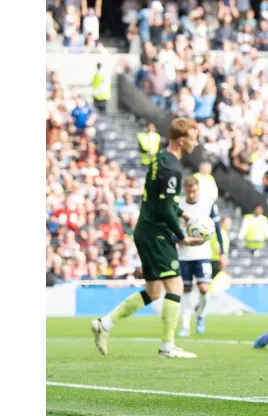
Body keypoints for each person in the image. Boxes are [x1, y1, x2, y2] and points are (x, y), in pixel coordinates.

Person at [90, 118, 204, 358]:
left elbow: (164, 201)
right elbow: (164, 209)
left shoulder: (160, 158)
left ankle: (105, 324)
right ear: (181, 140)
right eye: (194, 138)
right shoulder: (171, 167)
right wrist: (182, 237)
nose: (196, 142)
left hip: (147, 229)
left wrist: (185, 216)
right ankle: (167, 346)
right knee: (174, 286)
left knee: (153, 292)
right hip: (156, 232)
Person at [176, 176, 225, 337]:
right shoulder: (179, 205)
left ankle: (201, 315)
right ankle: (184, 325)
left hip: (203, 253)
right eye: (188, 192)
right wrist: (178, 240)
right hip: (184, 254)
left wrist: (222, 252)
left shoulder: (207, 203)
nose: (191, 195)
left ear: (198, 189)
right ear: (185, 190)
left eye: (194, 191)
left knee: (204, 288)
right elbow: (172, 227)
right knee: (186, 290)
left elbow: (217, 228)